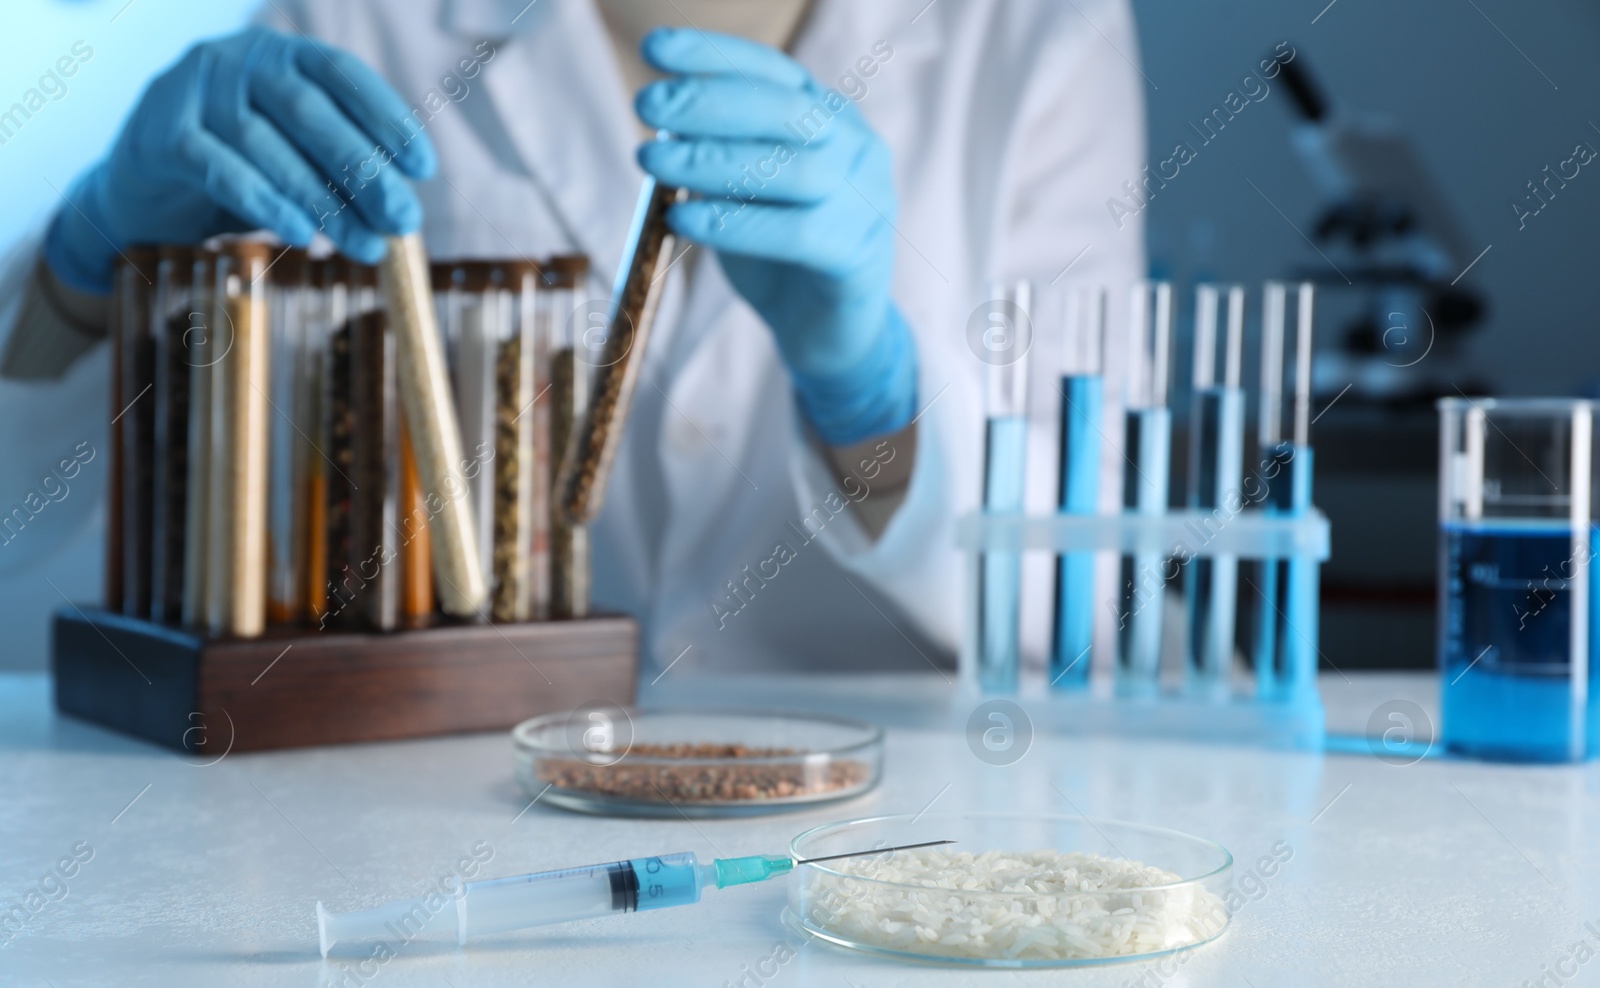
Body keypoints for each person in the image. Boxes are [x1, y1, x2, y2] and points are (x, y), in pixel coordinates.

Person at [0, 0, 1144, 674]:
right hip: (420, 804)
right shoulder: (358, 20)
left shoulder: (1032, 30)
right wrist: (87, 261)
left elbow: (1100, 577)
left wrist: (873, 401)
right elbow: (45, 529)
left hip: (876, 847)